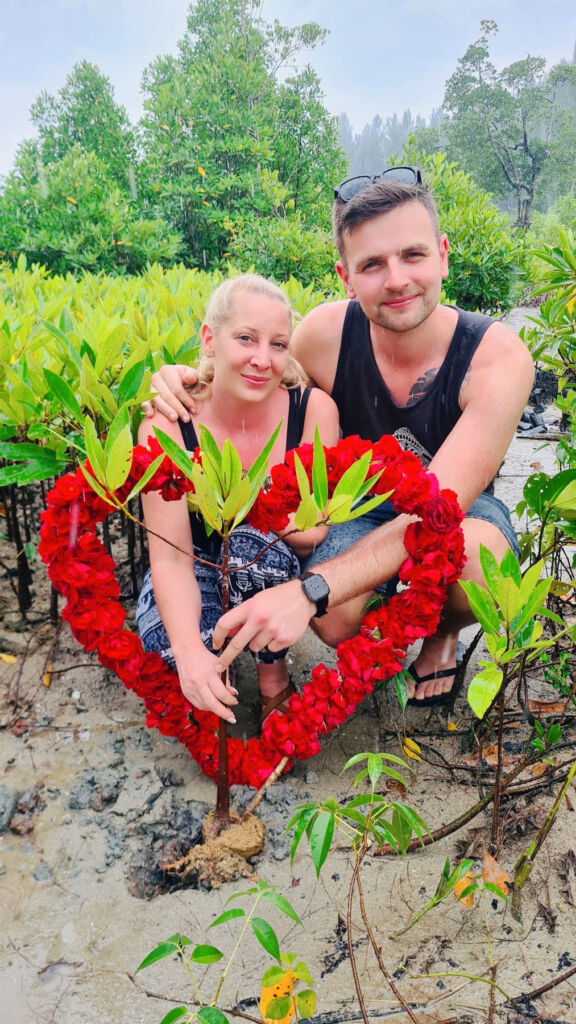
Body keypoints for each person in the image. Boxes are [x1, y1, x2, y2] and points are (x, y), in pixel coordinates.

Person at [144, 169, 534, 706]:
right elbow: (257, 375)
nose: (395, 280)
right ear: (346, 276)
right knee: (336, 621)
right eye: (372, 264)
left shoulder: (495, 357)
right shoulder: (325, 335)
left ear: (443, 254)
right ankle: (381, 631)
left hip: (457, 511)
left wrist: (309, 591)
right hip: (359, 508)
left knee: (474, 564)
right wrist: (184, 378)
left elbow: (437, 509)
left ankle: (442, 632)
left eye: (413, 255)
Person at [136, 274, 339, 723]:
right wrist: (191, 655)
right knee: (166, 646)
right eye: (245, 338)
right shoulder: (169, 423)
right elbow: (170, 559)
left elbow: (313, 532)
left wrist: (244, 498)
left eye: (279, 344)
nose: (262, 360)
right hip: (197, 564)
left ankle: (273, 677)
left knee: (249, 544)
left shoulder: (312, 411)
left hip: (275, 562)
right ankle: (216, 675)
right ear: (210, 340)